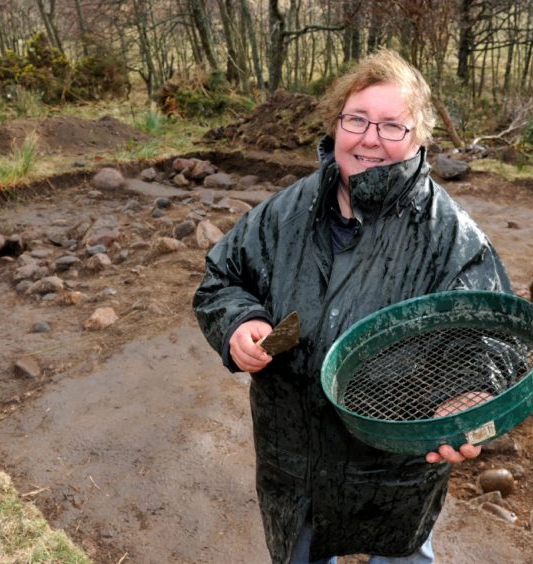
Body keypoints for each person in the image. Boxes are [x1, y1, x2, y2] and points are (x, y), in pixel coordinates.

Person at [193, 49, 511, 564]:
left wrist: (473, 398)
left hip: (397, 475)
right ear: (336, 123)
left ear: (420, 137)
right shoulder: (285, 213)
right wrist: (240, 322)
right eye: (357, 119)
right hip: (294, 465)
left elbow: (491, 337)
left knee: (402, 555)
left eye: (392, 126)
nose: (369, 138)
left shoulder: (451, 236)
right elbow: (222, 279)